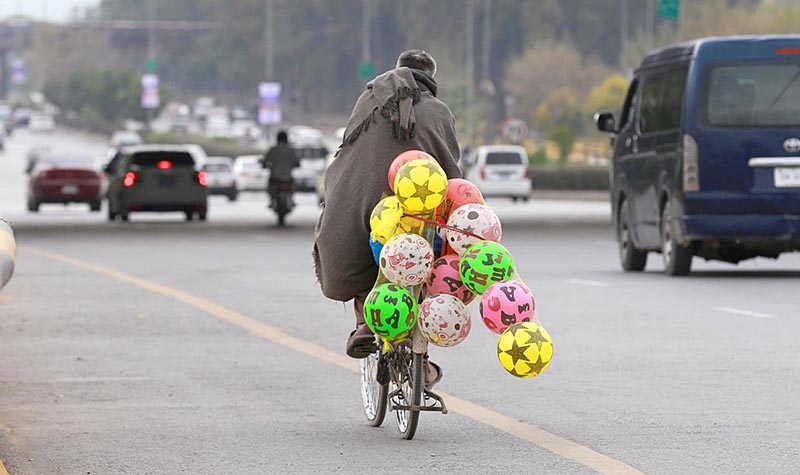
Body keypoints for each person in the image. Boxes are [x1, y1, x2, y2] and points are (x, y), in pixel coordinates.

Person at [314, 50, 462, 387]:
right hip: (418, 213)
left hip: (364, 204)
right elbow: (451, 166)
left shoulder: (367, 101)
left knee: (359, 246)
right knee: (430, 260)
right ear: (431, 79)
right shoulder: (438, 111)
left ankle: (365, 322)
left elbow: (349, 154)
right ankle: (421, 362)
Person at [262, 130, 300, 205]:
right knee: (293, 184)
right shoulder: (290, 150)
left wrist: (265, 165)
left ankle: (272, 200)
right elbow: (297, 162)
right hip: (287, 177)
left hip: (275, 177)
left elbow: (266, 160)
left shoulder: (273, 150)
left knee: (271, 186)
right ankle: (291, 199)